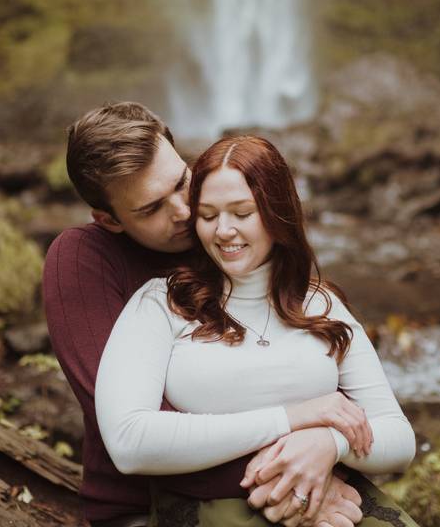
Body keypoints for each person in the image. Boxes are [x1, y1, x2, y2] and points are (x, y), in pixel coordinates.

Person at [44, 104, 370, 527]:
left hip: (289, 473)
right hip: (147, 503)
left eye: (182, 181)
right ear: (109, 220)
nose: (183, 211)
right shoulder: (82, 260)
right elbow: (133, 426)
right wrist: (290, 478)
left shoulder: (224, 229)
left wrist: (324, 446)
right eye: (151, 209)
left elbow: (303, 355)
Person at [95, 134, 420, 527]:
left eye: (242, 213)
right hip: (211, 507)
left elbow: (399, 439)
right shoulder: (161, 304)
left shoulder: (321, 305)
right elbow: (130, 441)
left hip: (333, 495)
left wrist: (327, 443)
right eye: (209, 215)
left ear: (276, 211)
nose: (223, 231)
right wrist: (291, 420)